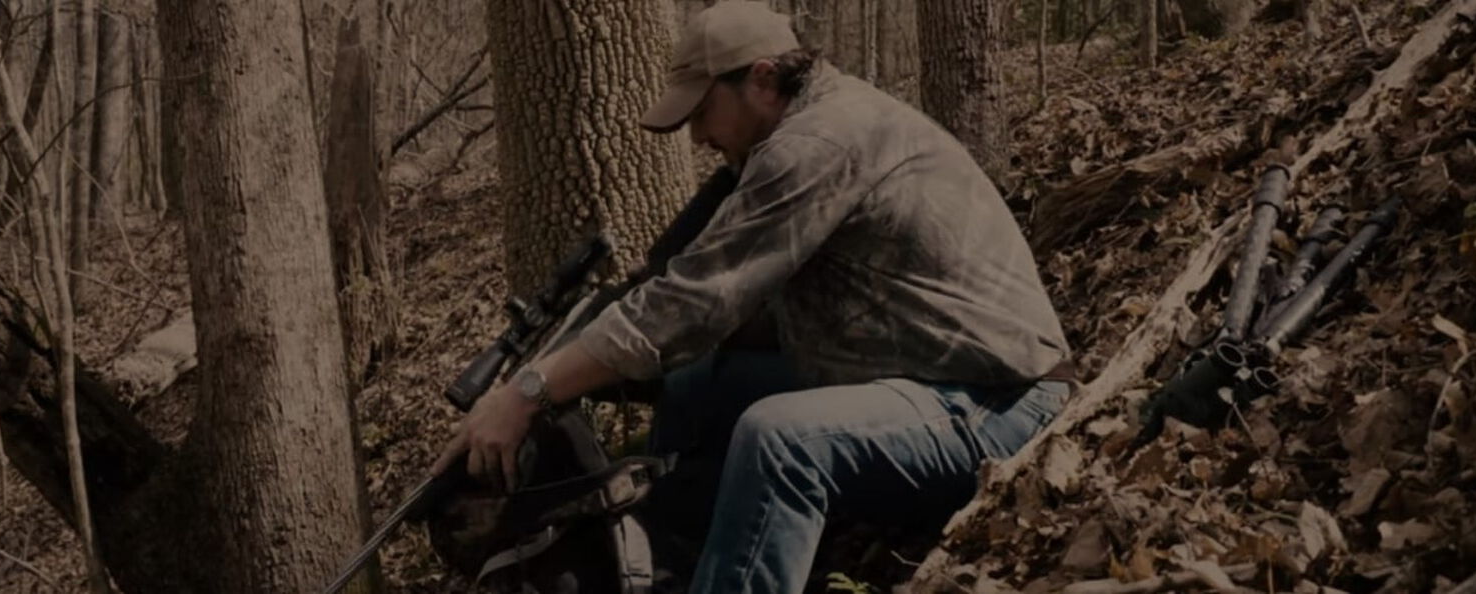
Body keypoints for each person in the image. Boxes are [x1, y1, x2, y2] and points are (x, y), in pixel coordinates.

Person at [432, 2, 1074, 591]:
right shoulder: (817, 122)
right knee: (698, 386)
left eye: (704, 111)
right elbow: (724, 316)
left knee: (778, 441)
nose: (698, 138)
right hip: (923, 368)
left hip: (999, 402)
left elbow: (687, 305)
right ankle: (665, 557)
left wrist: (529, 392)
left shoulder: (815, 144)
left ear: (763, 79)